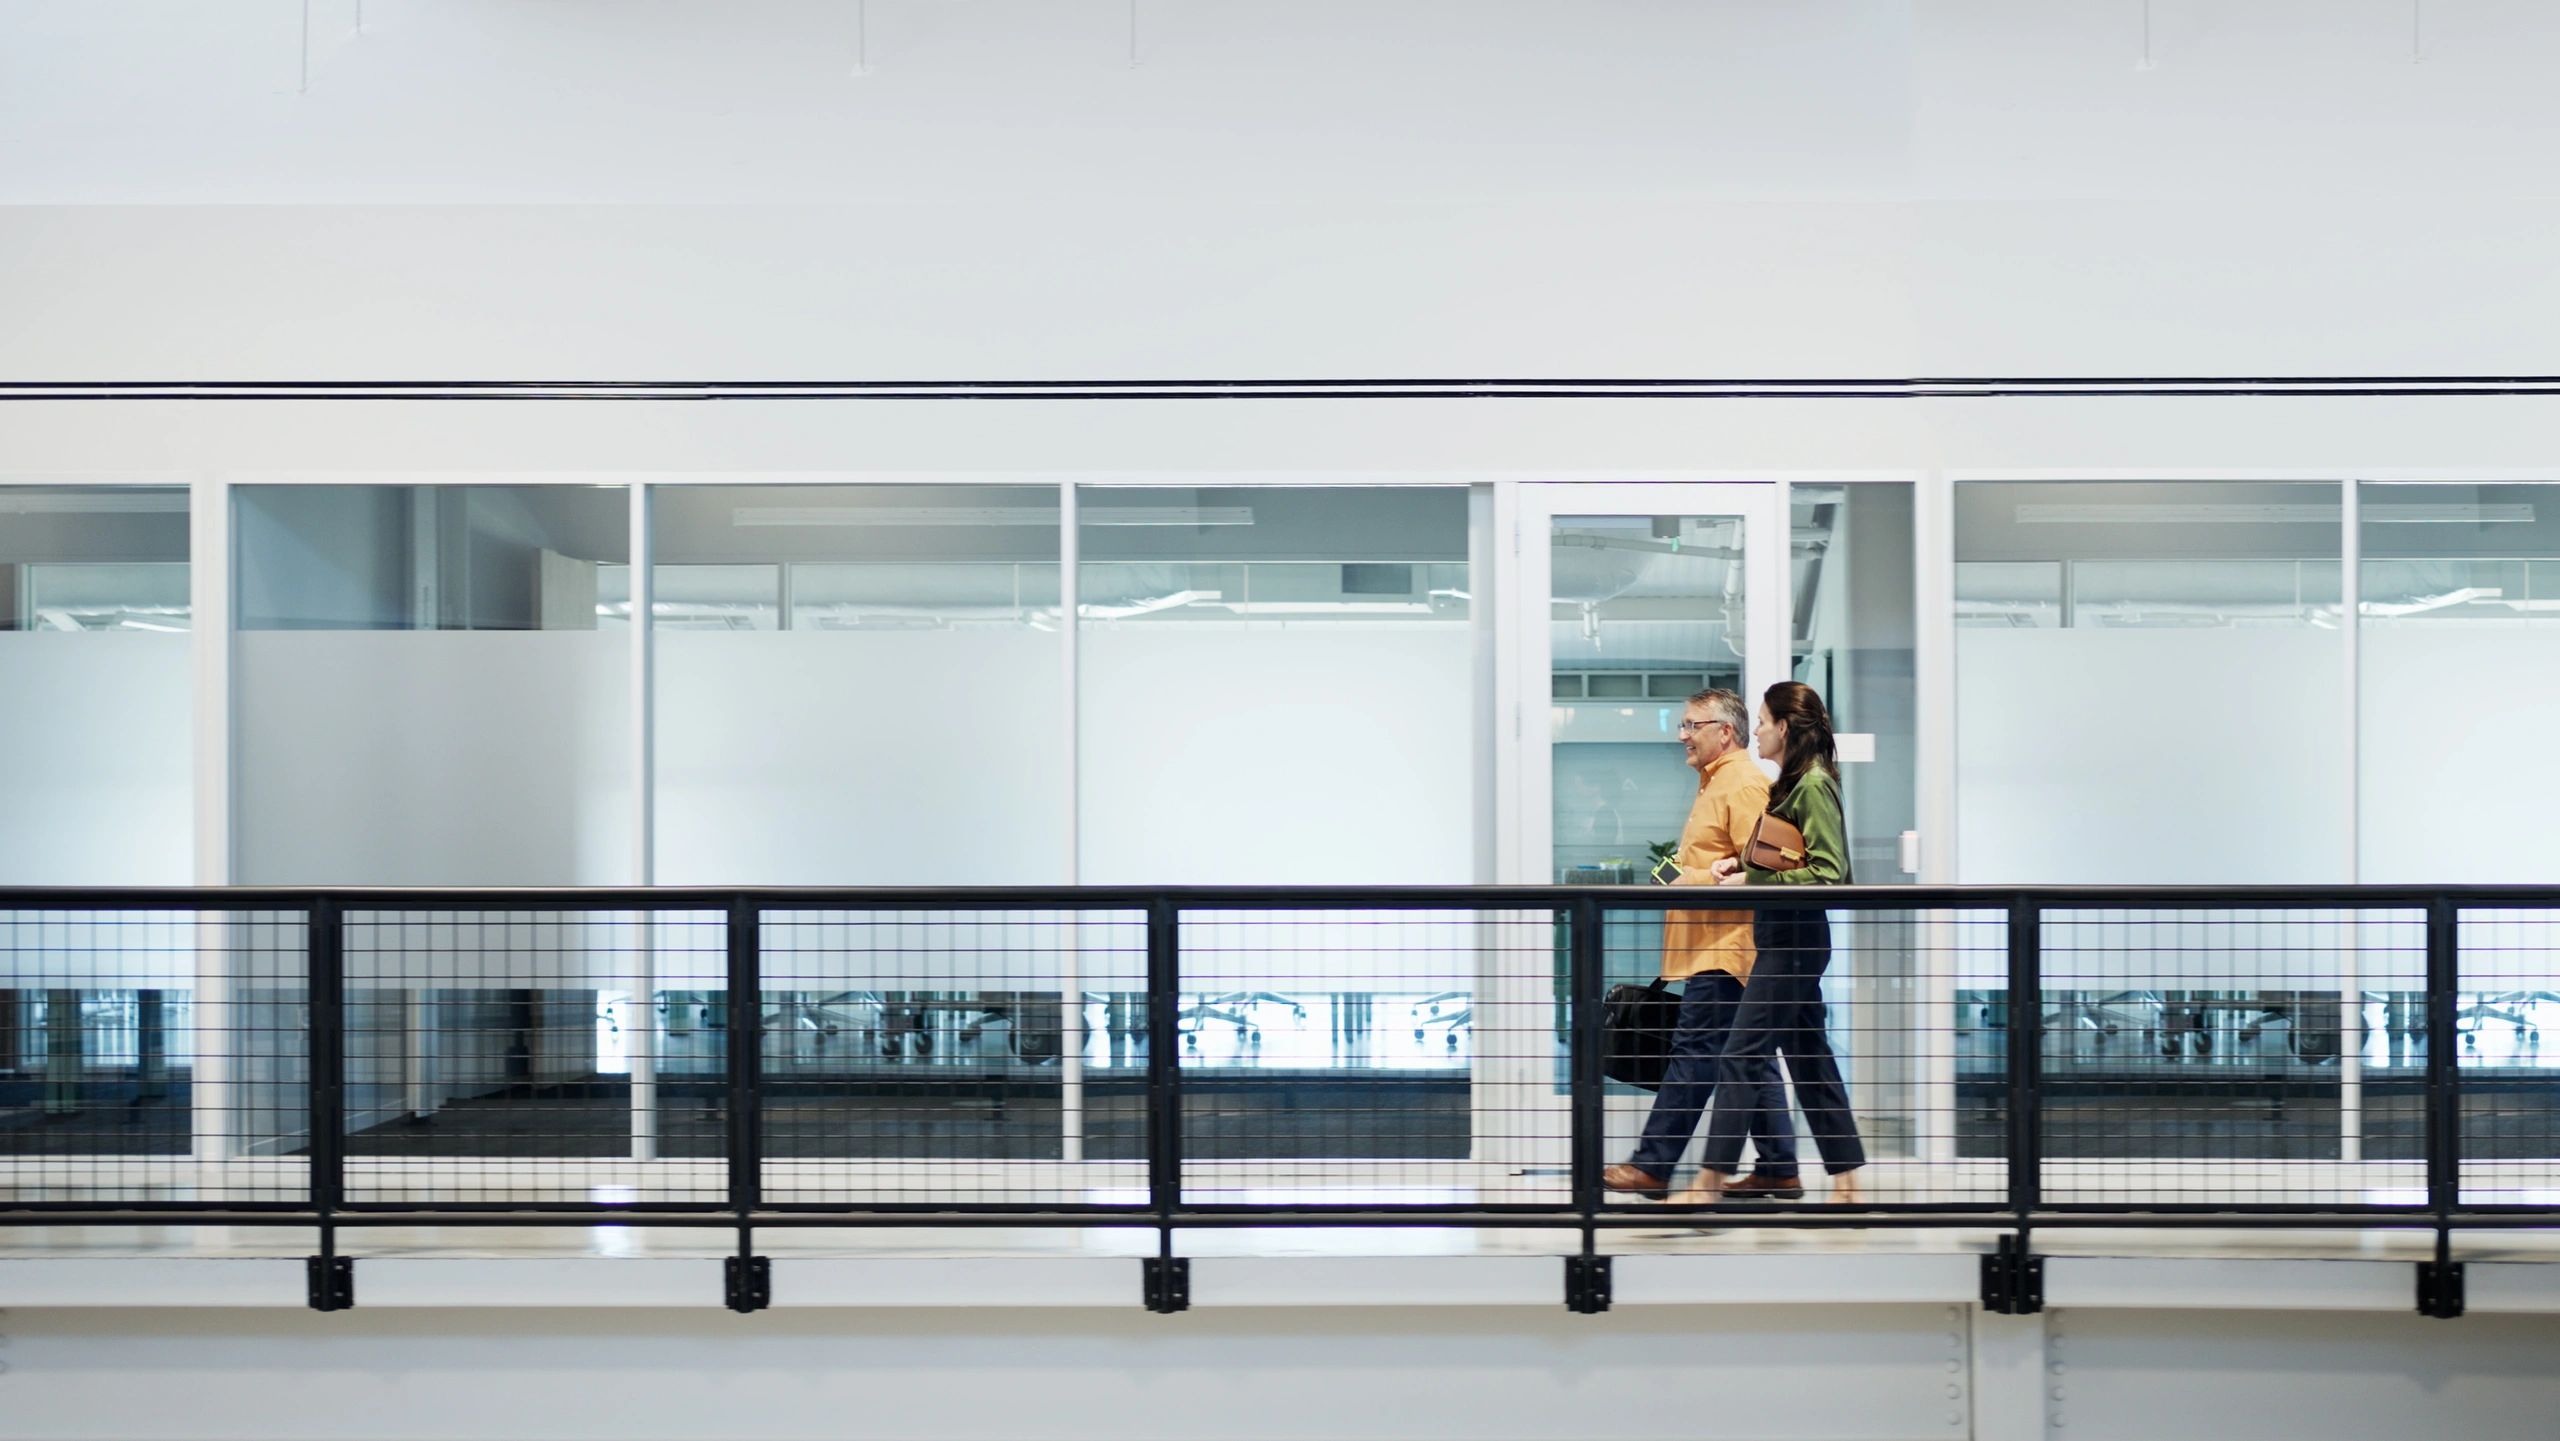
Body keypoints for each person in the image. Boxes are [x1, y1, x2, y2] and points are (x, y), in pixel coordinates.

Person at [1674, 680, 1869, 1206]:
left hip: (1793, 944)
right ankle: (1848, 1184)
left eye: (1762, 721)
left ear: (1784, 727)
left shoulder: (1813, 784)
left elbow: (1831, 873)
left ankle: (1707, 1183)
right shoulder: (1790, 784)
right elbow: (1791, 857)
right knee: (1810, 1058)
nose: (1755, 729)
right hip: (1783, 936)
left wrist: (1750, 883)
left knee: (1740, 1054)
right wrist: (1741, 863)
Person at [1599, 688, 1791, 1200]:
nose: (1682, 735)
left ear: (1723, 731)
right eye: (1682, 725)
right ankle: (1779, 1166)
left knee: (1694, 1051)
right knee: (1744, 1057)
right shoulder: (1714, 785)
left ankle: (1654, 1165)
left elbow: (1769, 866)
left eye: (1691, 725)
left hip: (1728, 948)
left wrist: (1696, 880)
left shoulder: (1743, 784)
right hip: (1712, 946)